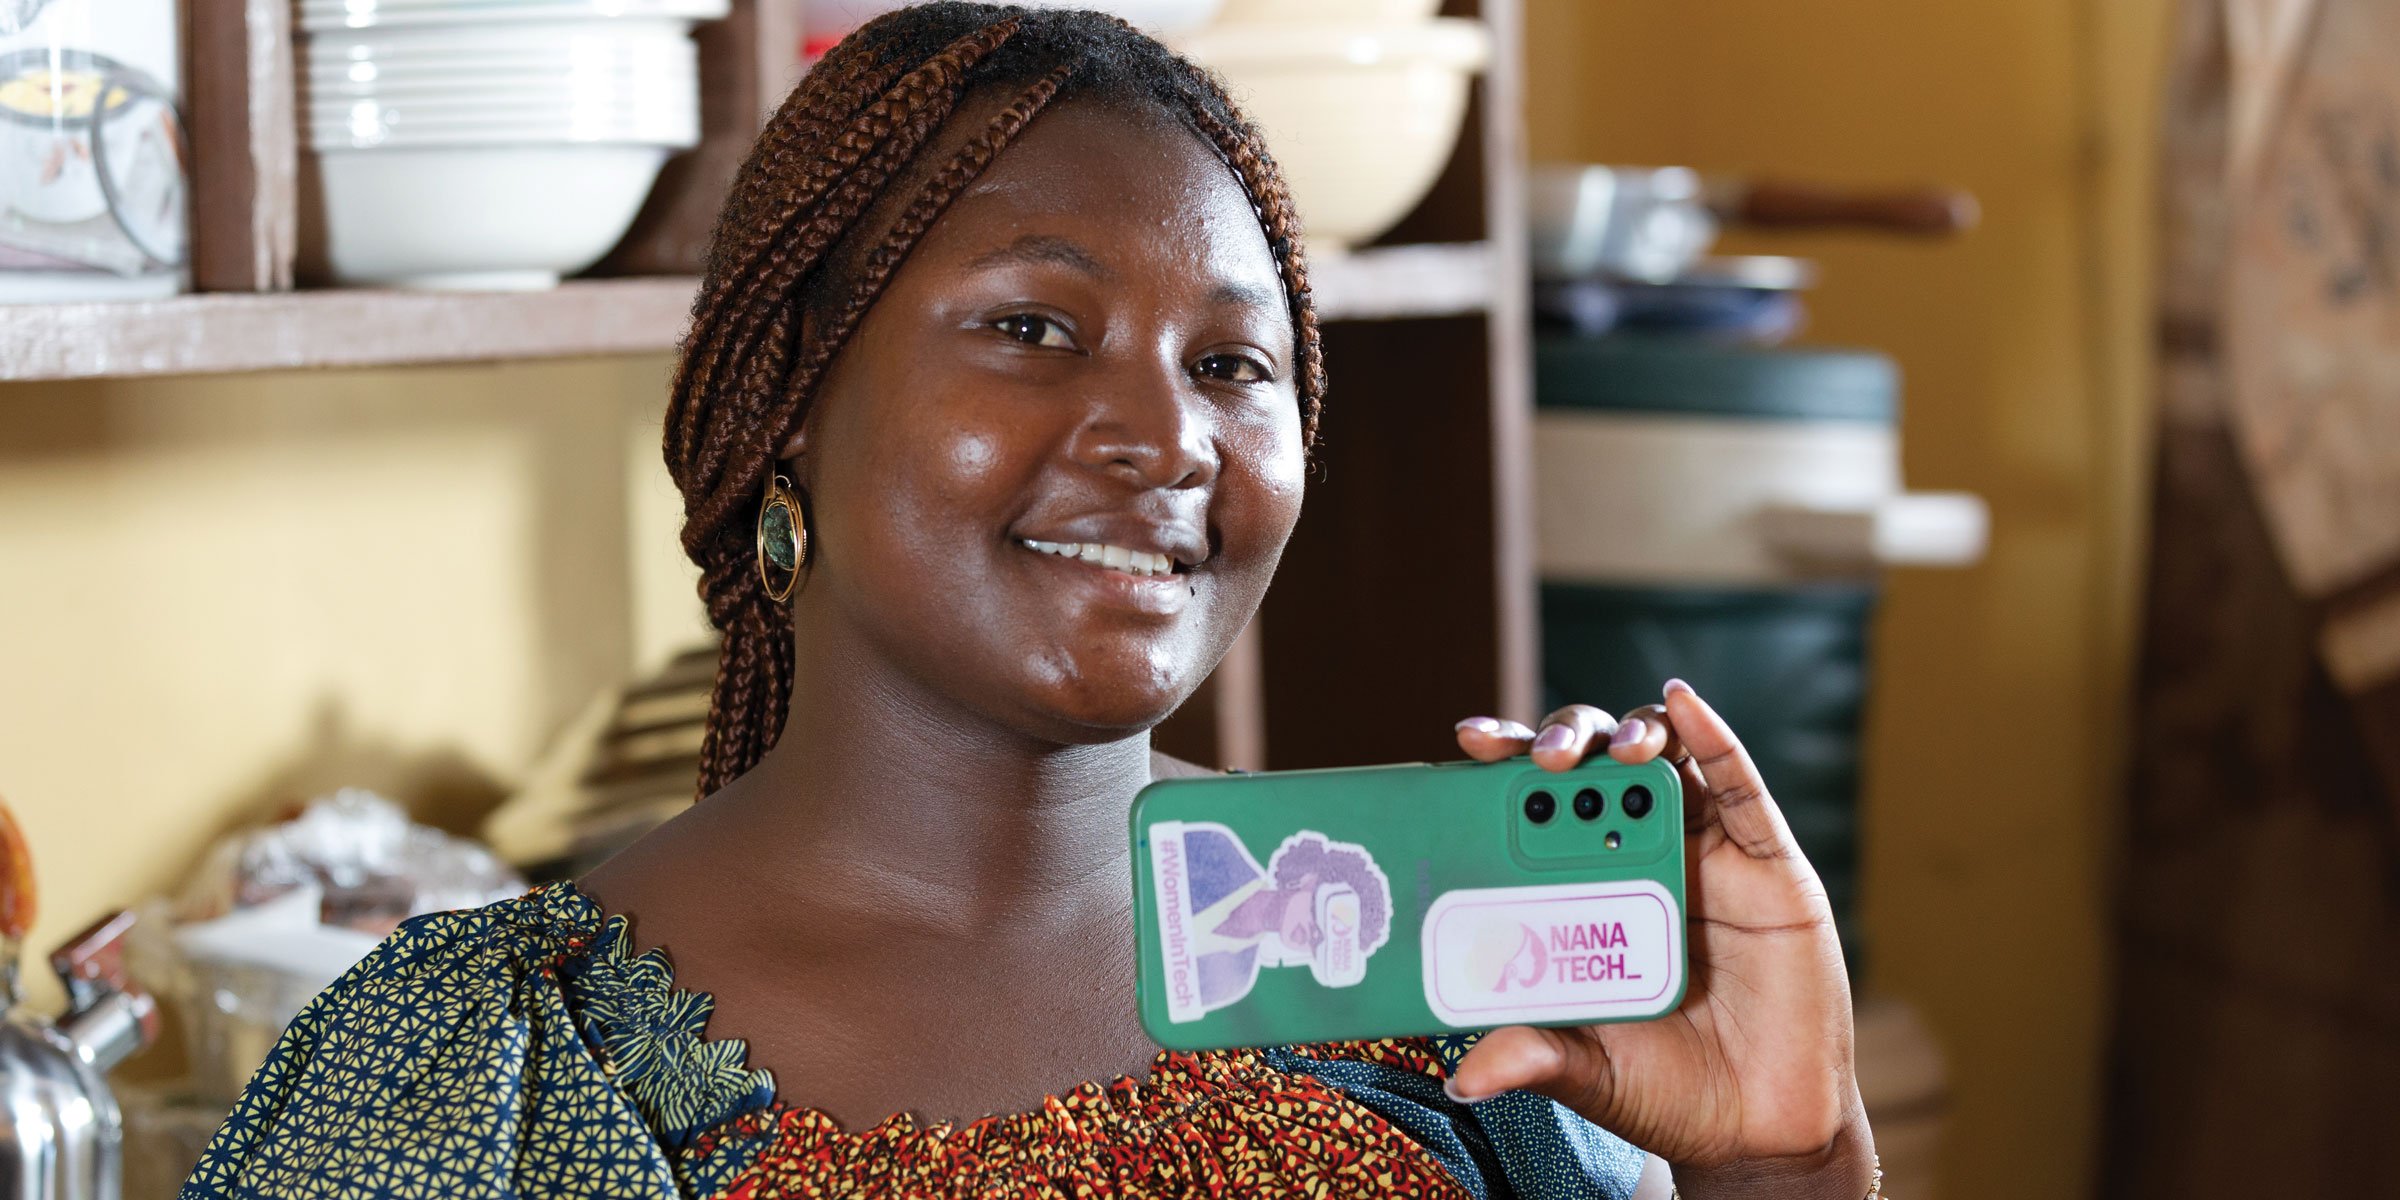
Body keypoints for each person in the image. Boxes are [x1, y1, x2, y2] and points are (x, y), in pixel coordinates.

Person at [180, 5, 1876, 1198]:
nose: (1164, 439)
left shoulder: (1448, 989)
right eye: (1033, 329)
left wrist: (1778, 1162)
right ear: (786, 400)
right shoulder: (464, 1079)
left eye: (1232, 364)